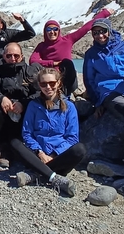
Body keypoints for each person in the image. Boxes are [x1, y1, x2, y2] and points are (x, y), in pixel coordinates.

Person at [83, 18, 124, 170]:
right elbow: (89, 80)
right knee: (121, 106)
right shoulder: (91, 54)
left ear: (109, 31)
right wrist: (98, 103)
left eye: (103, 31)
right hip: (109, 91)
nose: (100, 36)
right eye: (96, 33)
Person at [11, 68, 87, 197]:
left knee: (80, 149)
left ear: (58, 83)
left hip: (60, 156)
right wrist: (39, 152)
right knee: (15, 143)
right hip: (37, 154)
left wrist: (53, 155)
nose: (48, 87)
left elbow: (72, 138)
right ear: (39, 85)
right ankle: (53, 177)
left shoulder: (69, 107)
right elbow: (27, 133)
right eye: (43, 84)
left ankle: (35, 174)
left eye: (52, 83)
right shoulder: (33, 105)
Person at [29, 8, 114, 96]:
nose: (52, 32)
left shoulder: (68, 40)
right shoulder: (42, 46)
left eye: (55, 29)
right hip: (50, 80)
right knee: (34, 67)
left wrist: (104, 13)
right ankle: (39, 91)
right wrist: (53, 63)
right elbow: (32, 61)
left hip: (67, 80)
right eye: (48, 30)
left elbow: (86, 28)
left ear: (59, 30)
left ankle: (64, 92)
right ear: (45, 32)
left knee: (67, 63)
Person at [0, 43, 41, 168]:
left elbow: (38, 93)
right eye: (9, 55)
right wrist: (2, 98)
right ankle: (3, 147)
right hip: (5, 108)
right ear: (4, 56)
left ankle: (25, 146)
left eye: (16, 55)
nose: (13, 59)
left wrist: (23, 103)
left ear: (21, 56)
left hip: (24, 106)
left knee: (34, 108)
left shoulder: (29, 71)